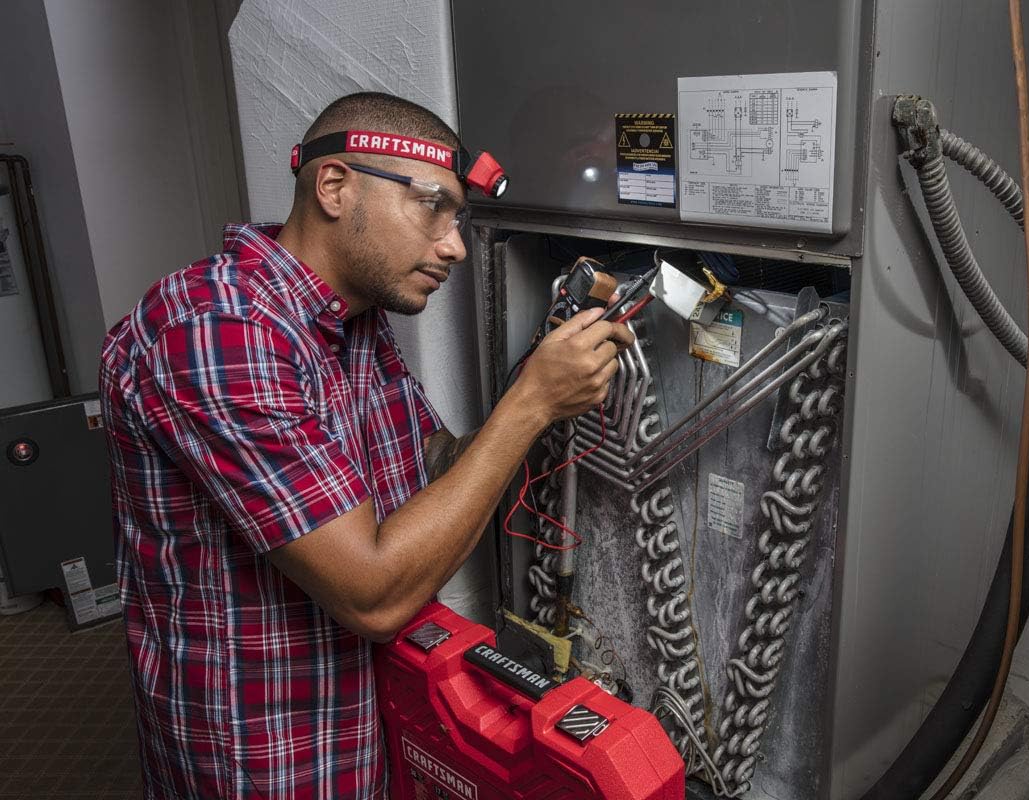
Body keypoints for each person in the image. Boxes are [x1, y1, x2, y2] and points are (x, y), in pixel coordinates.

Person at [99, 91, 632, 800]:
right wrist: (530, 404)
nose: (454, 246)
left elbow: (439, 467)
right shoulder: (218, 332)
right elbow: (373, 595)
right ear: (334, 186)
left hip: (365, 723)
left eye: (461, 219)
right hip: (267, 755)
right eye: (432, 206)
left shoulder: (353, 325)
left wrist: (546, 386)